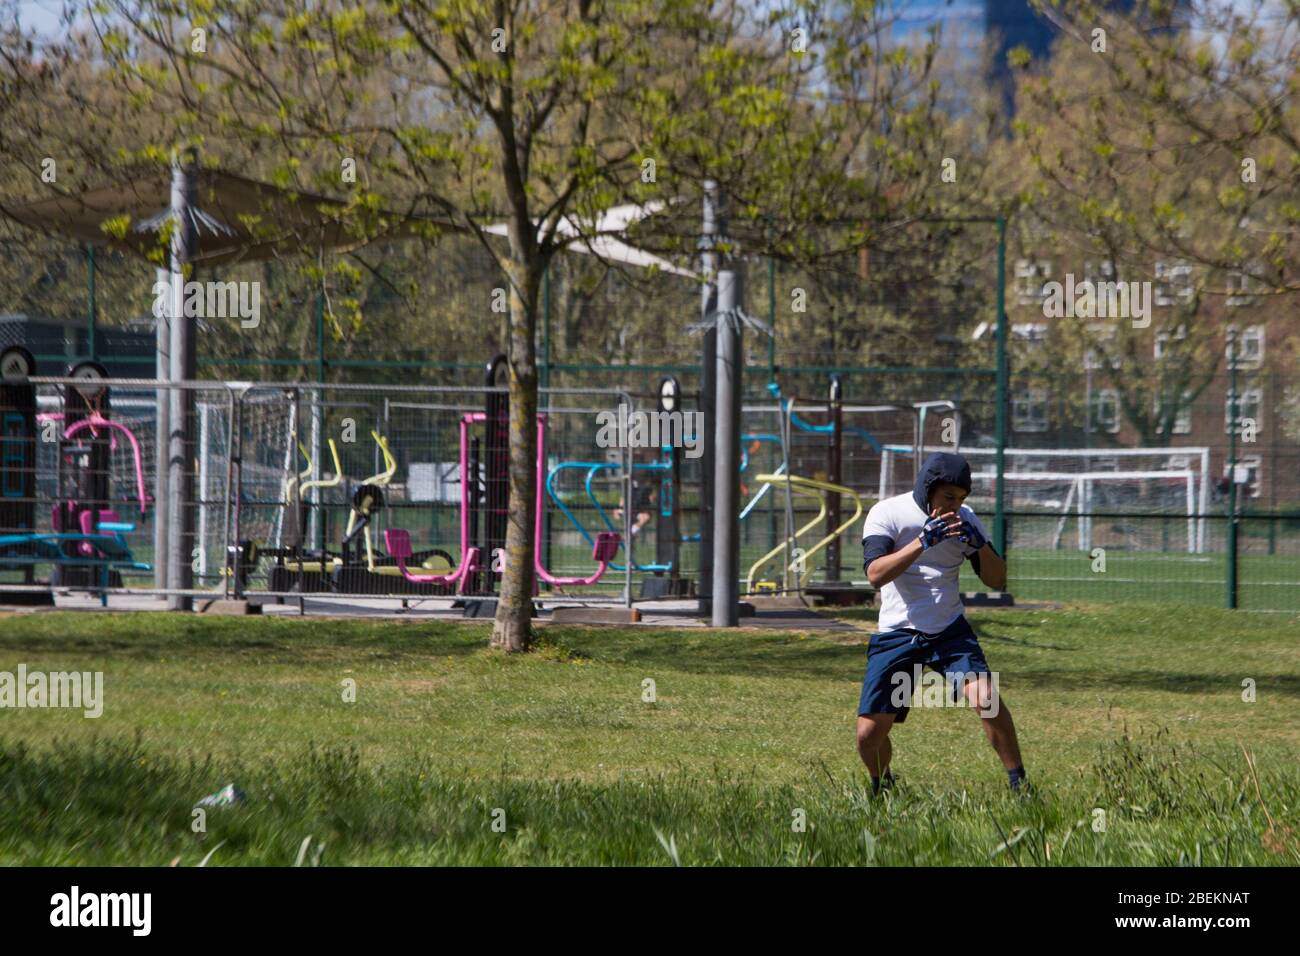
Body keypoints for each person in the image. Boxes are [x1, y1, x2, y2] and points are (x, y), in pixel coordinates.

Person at [857, 452, 1028, 795]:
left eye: (962, 499)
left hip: (949, 630)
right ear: (928, 488)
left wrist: (978, 546)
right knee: (868, 737)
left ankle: (1019, 786)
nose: (955, 506)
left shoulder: (965, 519)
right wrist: (922, 542)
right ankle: (883, 784)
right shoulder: (887, 513)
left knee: (987, 699)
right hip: (897, 633)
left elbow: (997, 580)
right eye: (949, 497)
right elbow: (875, 575)